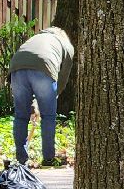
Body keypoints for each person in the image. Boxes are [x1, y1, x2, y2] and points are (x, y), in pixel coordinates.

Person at [7, 25, 74, 168]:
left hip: (16, 69)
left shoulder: (36, 38)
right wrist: (54, 94)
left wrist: (34, 103)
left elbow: (28, 69)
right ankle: (48, 159)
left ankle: (21, 160)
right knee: (48, 116)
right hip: (44, 69)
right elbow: (63, 78)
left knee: (21, 117)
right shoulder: (66, 45)